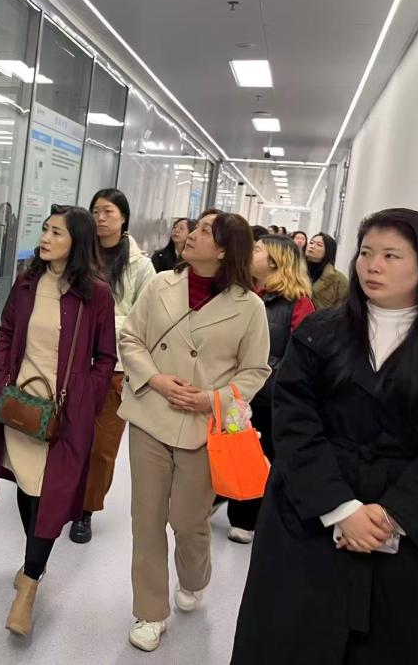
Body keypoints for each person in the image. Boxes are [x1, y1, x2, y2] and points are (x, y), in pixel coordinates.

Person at [231, 208, 418, 665]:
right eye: (366, 253)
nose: (372, 266)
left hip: (402, 529)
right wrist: (341, 509)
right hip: (307, 516)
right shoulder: (321, 331)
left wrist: (391, 516)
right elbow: (294, 421)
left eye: (391, 255)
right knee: (288, 640)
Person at [117, 210, 271, 652]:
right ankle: (150, 612)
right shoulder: (161, 283)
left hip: (206, 427)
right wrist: (155, 379)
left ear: (223, 250)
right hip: (151, 414)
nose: (191, 234)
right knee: (146, 518)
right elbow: (131, 338)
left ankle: (194, 577)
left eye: (205, 231)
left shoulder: (250, 307)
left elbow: (255, 370)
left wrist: (212, 400)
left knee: (188, 520)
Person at [0, 205, 116, 637]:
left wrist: (85, 396)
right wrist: (2, 376)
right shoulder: (28, 283)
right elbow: (7, 331)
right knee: (28, 487)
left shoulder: (96, 295)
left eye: (57, 233)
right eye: (46, 230)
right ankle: (33, 564)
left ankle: (29, 585)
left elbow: (105, 357)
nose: (46, 238)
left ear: (77, 242)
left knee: (51, 493)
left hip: (65, 414)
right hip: (21, 406)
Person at [70, 189, 156, 544]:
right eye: (95, 211)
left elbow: (145, 321)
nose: (100, 217)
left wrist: (98, 321)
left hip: (116, 368)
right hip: (72, 361)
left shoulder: (141, 266)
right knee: (65, 433)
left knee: (102, 446)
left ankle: (86, 510)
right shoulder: (77, 254)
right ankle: (60, 495)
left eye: (108, 211)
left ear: (124, 218)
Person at [221, 235, 315, 544]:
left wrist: (272, 381)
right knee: (232, 448)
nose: (250, 252)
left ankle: (246, 519)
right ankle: (226, 497)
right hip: (235, 389)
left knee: (259, 456)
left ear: (275, 261)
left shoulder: (298, 303)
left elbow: (300, 357)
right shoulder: (244, 294)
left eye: (258, 249)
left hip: (270, 396)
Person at [306, 232, 350, 310]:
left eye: (319, 245)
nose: (312, 246)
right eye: (311, 242)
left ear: (328, 251)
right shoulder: (295, 271)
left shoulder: (338, 280)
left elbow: (343, 309)